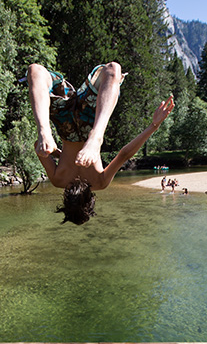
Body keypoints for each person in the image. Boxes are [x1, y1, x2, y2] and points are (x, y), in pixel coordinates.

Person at [27, 62, 174, 224]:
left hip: (85, 120)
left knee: (113, 70)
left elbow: (124, 155)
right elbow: (39, 148)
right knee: (35, 71)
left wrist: (154, 127)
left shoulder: (99, 183)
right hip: (67, 125)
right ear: (65, 200)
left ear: (91, 200)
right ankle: (92, 135)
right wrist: (52, 148)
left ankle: (52, 130)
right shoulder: (58, 181)